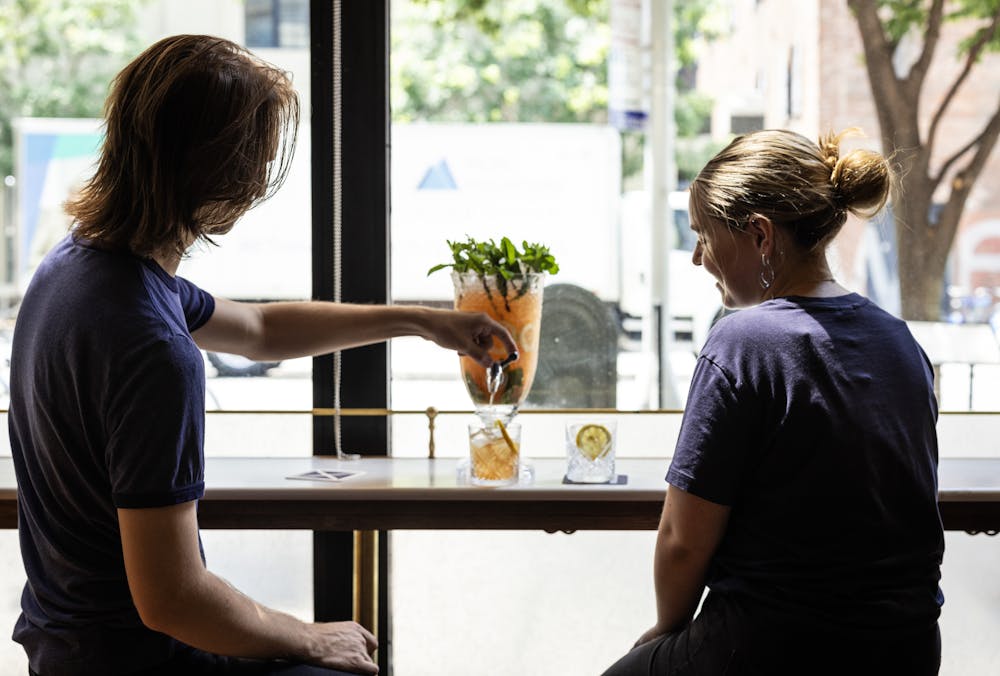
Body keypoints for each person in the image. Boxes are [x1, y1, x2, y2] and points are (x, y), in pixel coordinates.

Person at [9, 35, 517, 676]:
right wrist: (308, 636)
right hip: (133, 659)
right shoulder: (154, 350)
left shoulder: (80, 265)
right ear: (224, 179)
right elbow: (172, 599)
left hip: (64, 646)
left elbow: (258, 329)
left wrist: (421, 322)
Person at [602, 129, 944, 675]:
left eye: (704, 236)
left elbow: (682, 541)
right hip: (907, 648)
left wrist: (667, 630)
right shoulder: (901, 341)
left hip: (773, 647)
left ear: (760, 236)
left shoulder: (744, 341)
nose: (696, 258)